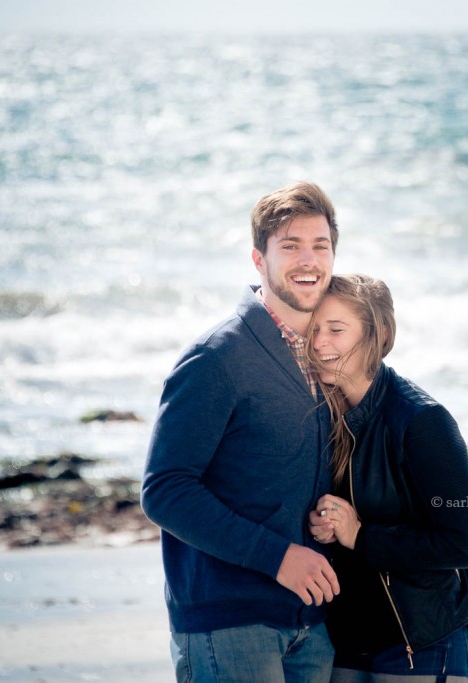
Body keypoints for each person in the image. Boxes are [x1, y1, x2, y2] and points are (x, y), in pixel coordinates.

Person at [141, 181, 342, 683]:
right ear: (259, 259)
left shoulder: (324, 353)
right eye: (290, 246)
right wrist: (276, 557)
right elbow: (164, 490)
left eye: (320, 246)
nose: (308, 260)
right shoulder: (217, 357)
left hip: (309, 625)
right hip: (228, 624)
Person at [306, 274, 468, 682]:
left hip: (420, 640)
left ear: (379, 334)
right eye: (313, 329)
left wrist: (361, 536)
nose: (319, 343)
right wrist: (325, 525)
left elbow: (465, 543)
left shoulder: (423, 421)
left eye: (336, 329)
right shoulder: (322, 417)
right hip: (347, 639)